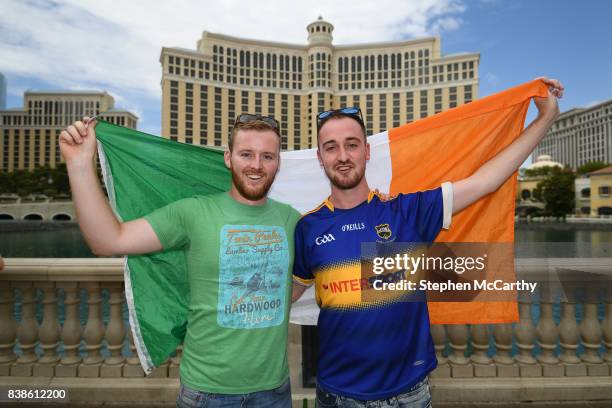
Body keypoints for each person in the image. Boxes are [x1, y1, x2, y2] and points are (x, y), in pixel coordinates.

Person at [291, 78, 564, 407]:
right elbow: (283, 296)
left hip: (411, 394)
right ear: (320, 157)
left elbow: (487, 181)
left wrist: (545, 118)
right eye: (331, 147)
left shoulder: (408, 211)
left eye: (351, 144)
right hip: (338, 396)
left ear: (366, 151)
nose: (343, 155)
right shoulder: (308, 226)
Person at [59, 114, 300, 408]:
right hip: (206, 394)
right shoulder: (193, 213)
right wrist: (79, 164)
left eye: (267, 156)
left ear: (278, 163)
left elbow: (333, 259)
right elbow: (109, 240)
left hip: (274, 392)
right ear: (228, 158)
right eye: (246, 154)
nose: (257, 165)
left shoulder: (292, 221)